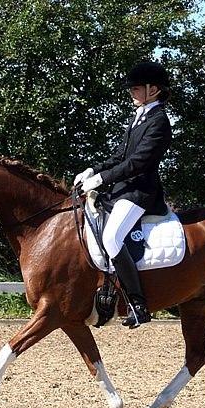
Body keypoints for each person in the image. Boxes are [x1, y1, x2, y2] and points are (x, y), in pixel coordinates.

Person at [74, 61, 172, 328]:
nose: (131, 92)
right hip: (122, 191)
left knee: (112, 237)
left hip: (141, 192)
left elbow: (138, 162)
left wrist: (101, 179)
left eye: (136, 88)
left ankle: (138, 304)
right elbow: (120, 156)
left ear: (153, 90)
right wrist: (93, 169)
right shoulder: (138, 117)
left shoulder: (160, 122)